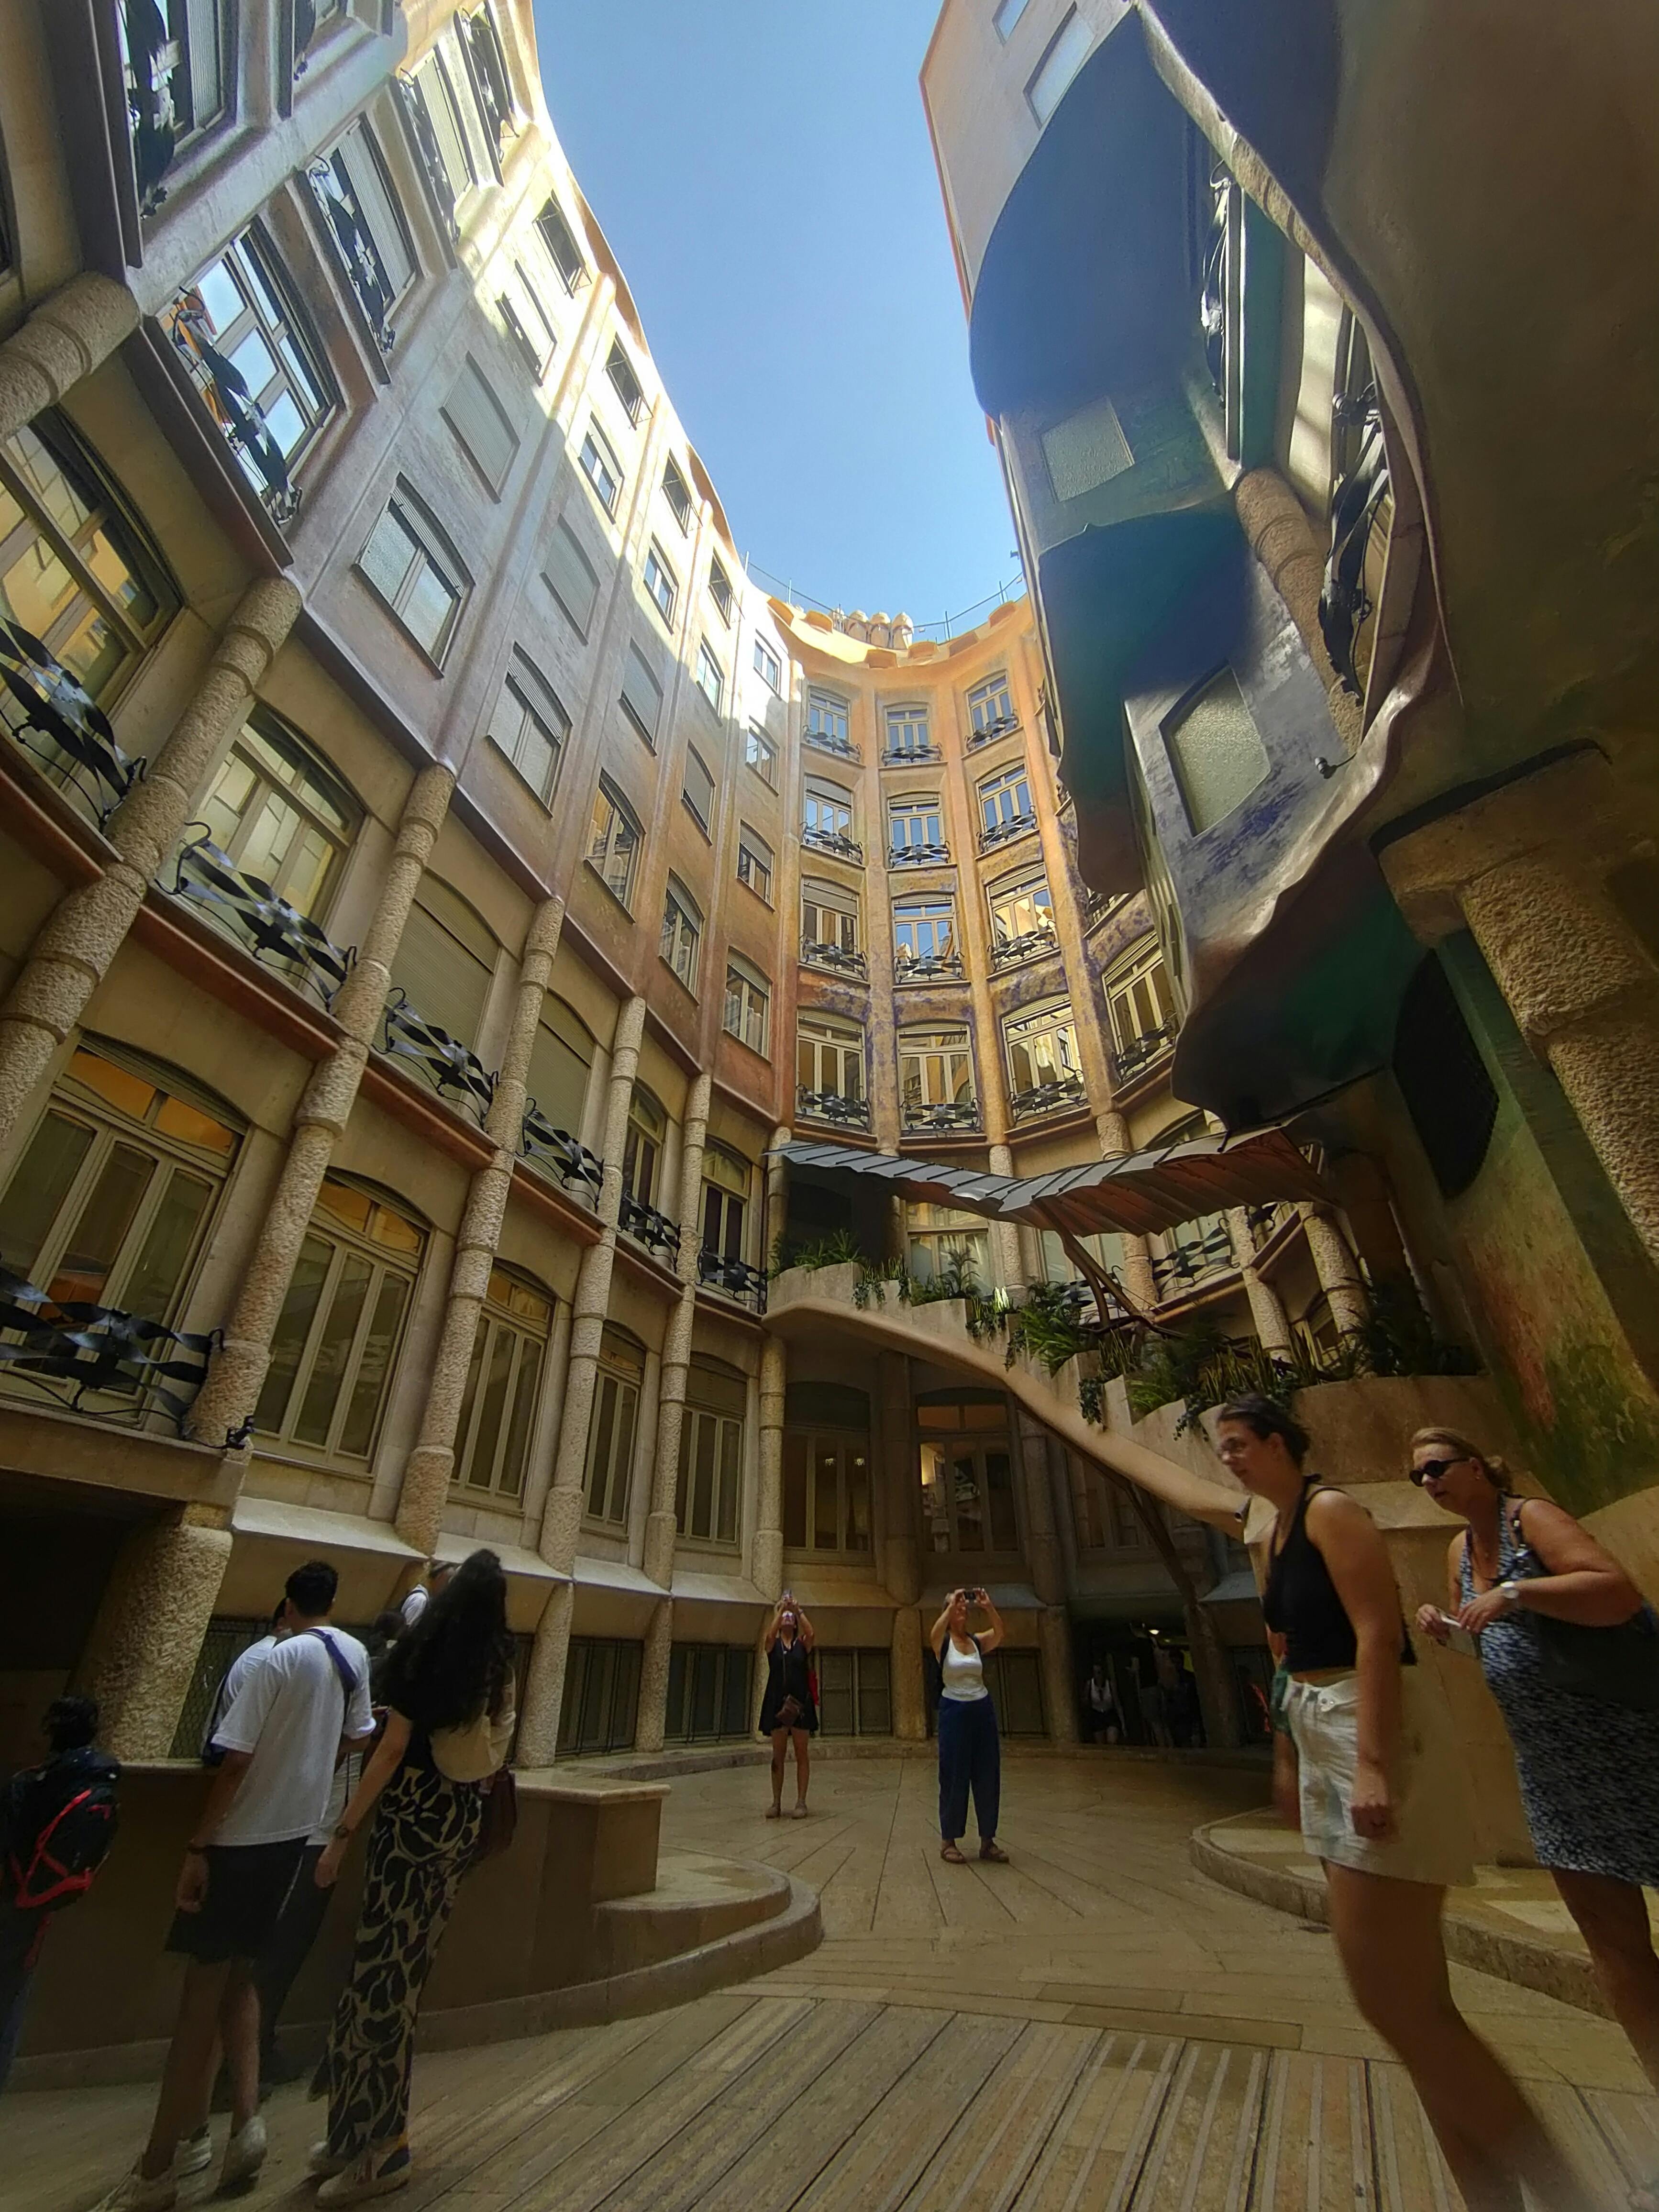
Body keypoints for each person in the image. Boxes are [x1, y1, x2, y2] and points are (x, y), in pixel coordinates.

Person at [1214, 1394, 1588, 2212]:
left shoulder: (1332, 1510)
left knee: (1398, 2003)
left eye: (1238, 1443)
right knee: (1408, 2010)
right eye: (1221, 1448)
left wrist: (1373, 1765)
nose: (1227, 1458)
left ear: (1278, 1442)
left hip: (1367, 1729)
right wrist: (1287, 1756)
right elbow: (1287, 1655)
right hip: (1320, 1731)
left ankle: (1568, 2193)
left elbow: (1378, 1634)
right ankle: (1492, 2197)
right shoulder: (1274, 1529)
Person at [1412, 1425, 1659, 2168]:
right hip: (1553, 1766)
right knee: (1610, 1939)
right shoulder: (1459, 1552)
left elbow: (1614, 1593)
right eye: (1418, 1476)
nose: (1428, 1483)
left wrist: (1515, 1591)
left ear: (1479, 1467)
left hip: (1629, 1742)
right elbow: (1495, 1642)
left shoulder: (1533, 1520)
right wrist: (1451, 1630)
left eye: (1437, 1467)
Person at [92, 1562, 372, 2211]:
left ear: (285, 1604)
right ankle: (245, 2125)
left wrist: (199, 1845)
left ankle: (159, 2166)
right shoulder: (352, 1653)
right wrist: (309, 1768)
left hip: (242, 1841)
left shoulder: (272, 1658)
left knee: (199, 2000)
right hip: (296, 1838)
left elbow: (233, 1762)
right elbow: (360, 1736)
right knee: (243, 1978)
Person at [308, 1549, 516, 2206]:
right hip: (456, 1822)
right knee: (397, 1978)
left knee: (379, 1982)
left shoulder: (430, 1658)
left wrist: (342, 1833)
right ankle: (353, 2130)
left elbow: (392, 1747)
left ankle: (384, 2143)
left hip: (409, 1824)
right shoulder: (495, 1664)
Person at [0, 1695, 119, 2092]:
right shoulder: (101, 1784)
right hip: (38, 1904)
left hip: (9, 1894)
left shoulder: (29, 1784)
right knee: (12, 1998)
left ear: (49, 1730)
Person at [929, 1587, 1008, 1865]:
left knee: (987, 1772)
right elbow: (933, 1634)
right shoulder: (943, 1642)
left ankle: (988, 1840)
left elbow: (999, 1634)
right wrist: (951, 1605)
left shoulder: (975, 1642)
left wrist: (988, 1607)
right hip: (954, 1710)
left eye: (963, 1606)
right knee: (954, 1774)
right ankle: (949, 1840)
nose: (962, 1608)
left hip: (981, 1709)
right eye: (956, 1606)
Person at [759, 1593, 816, 1819]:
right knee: (778, 1755)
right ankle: (776, 1802)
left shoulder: (801, 1644)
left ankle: (801, 1801)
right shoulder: (773, 1645)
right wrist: (781, 1609)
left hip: (800, 1704)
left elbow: (811, 1634)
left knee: (802, 1753)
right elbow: (769, 1636)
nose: (788, 1619)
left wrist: (798, 1610)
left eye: (790, 1617)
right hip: (777, 1703)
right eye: (785, 1617)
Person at [398, 1562, 453, 1631]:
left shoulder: (425, 1598)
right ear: (439, 1578)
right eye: (447, 1581)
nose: (448, 1587)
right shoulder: (420, 1600)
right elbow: (406, 1630)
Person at [1084, 1659, 1121, 1745]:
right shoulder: (1090, 1685)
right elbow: (1086, 1701)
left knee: (1112, 1741)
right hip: (1097, 1715)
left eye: (1099, 1672)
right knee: (1101, 1744)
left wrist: (1122, 1723)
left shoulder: (1110, 1685)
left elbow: (1117, 1703)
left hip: (1110, 1713)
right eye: (1095, 1673)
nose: (1097, 1676)